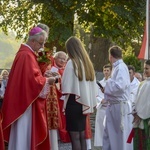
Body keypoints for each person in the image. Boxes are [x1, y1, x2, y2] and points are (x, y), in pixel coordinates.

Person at [1, 27, 57, 150]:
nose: (42, 47)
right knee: (23, 135)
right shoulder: (26, 55)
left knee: (23, 135)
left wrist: (43, 75)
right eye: (40, 43)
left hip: (24, 102)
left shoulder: (27, 53)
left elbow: (32, 77)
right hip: (25, 104)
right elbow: (32, 82)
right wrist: (48, 81)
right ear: (32, 41)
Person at [61, 36, 97, 150]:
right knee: (81, 135)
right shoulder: (87, 63)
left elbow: (65, 85)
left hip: (73, 102)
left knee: (75, 137)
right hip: (83, 102)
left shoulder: (72, 63)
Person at [103, 46, 132, 150]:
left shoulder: (121, 67)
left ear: (110, 56)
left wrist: (107, 84)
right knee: (110, 134)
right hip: (114, 106)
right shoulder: (117, 67)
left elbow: (120, 87)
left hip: (119, 107)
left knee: (119, 136)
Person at [131, 60, 150, 150]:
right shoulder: (143, 83)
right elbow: (137, 99)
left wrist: (140, 115)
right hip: (138, 119)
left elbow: (148, 103)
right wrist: (134, 110)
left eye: (147, 68)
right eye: (144, 68)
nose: (145, 70)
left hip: (146, 120)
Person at [94, 64, 112, 148]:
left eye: (108, 70)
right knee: (101, 128)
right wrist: (101, 100)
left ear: (111, 71)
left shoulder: (112, 82)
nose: (106, 72)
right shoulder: (100, 83)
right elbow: (96, 95)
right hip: (101, 107)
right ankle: (101, 146)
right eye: (105, 70)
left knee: (109, 129)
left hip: (110, 107)